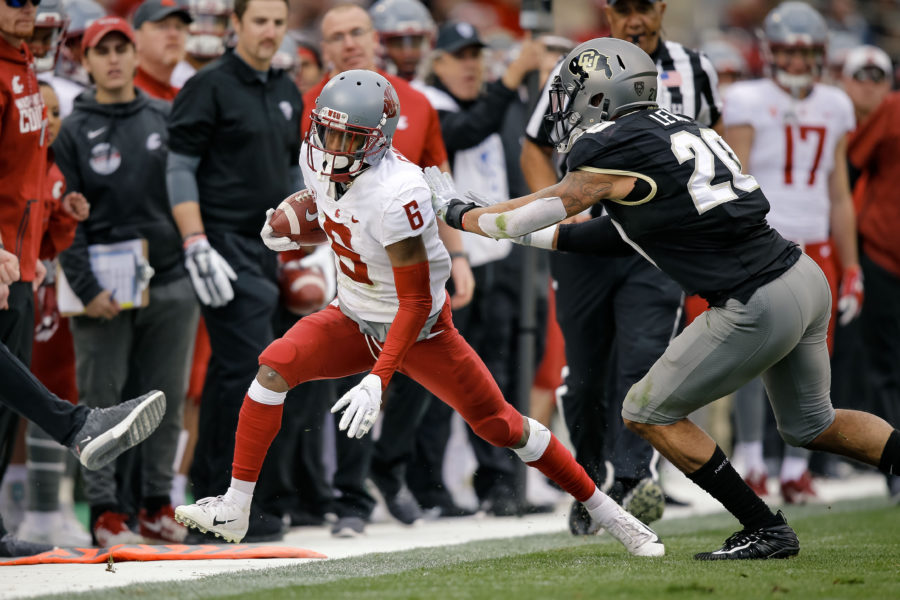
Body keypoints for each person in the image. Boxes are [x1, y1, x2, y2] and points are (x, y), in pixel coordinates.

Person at [428, 37, 900, 560]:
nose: (566, 106)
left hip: (756, 299)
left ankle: (764, 528)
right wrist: (495, 224)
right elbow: (608, 235)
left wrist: (458, 214)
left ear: (603, 96)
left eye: (574, 93)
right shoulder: (682, 127)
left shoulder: (610, 145)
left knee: (646, 411)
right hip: (803, 278)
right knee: (814, 424)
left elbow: (527, 216)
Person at [174, 69, 665, 559]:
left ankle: (608, 512)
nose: (332, 146)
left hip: (422, 330)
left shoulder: (398, 192)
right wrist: (298, 225)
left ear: (378, 141)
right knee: (272, 369)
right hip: (352, 314)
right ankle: (236, 507)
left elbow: (415, 301)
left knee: (501, 425)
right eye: (327, 130)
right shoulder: (315, 157)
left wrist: (378, 380)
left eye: (349, 137)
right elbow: (340, 214)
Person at [519, 0, 722, 534]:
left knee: (644, 361)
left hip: (655, 243)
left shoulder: (697, 70)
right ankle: (587, 480)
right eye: (624, 8)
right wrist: (564, 202)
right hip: (587, 240)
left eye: (645, 7)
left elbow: (712, 148)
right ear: (607, 11)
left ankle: (633, 480)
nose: (635, 20)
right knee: (584, 377)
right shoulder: (577, 66)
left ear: (662, 8)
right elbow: (534, 147)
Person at [301, 2, 473, 537]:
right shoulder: (312, 104)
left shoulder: (417, 103)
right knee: (355, 370)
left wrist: (460, 256)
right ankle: (351, 496)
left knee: (419, 366)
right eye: (337, 36)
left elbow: (437, 187)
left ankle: (389, 470)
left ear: (376, 39)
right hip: (348, 256)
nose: (349, 42)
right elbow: (309, 191)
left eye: (357, 32)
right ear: (324, 49)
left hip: (408, 257)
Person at [55, 15, 199, 546]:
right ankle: (106, 511)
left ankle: (159, 504)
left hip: (169, 279)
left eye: (122, 48)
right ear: (86, 61)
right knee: (102, 398)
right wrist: (87, 286)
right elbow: (64, 216)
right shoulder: (71, 130)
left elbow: (189, 193)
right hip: (101, 289)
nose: (113, 59)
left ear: (137, 56)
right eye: (102, 50)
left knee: (167, 394)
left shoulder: (166, 116)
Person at [167, 0, 303, 542]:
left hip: (270, 246)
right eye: (260, 21)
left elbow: (295, 171)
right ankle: (222, 501)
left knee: (251, 369)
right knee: (247, 368)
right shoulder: (210, 85)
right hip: (223, 243)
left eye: (277, 22)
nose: (269, 31)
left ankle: (237, 501)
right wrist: (195, 240)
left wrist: (313, 242)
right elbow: (178, 165)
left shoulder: (287, 90)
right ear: (235, 26)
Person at [723, 1, 861, 503]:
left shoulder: (837, 104)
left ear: (821, 55)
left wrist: (853, 265)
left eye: (805, 54)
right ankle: (754, 462)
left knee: (813, 359)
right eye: (787, 52)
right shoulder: (745, 98)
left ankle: (797, 469)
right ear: (769, 52)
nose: (797, 63)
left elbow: (839, 192)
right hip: (764, 237)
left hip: (818, 240)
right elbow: (734, 178)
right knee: (751, 352)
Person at [1, 247, 167, 556]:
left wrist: (30, 243)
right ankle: (76, 427)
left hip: (22, 259)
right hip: (47, 262)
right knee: (38, 373)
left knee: (13, 387)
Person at [843, 45, 900, 502]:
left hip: (880, 247)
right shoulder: (891, 111)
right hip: (881, 251)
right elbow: (847, 167)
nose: (869, 85)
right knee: (884, 367)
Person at [132, 0, 192, 101]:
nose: (174, 34)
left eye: (179, 27)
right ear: (136, 37)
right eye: (162, 26)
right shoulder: (128, 94)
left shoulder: (184, 96)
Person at [369, 0, 434, 82]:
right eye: (398, 44)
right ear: (377, 42)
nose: (409, 53)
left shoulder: (435, 93)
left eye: (415, 43)